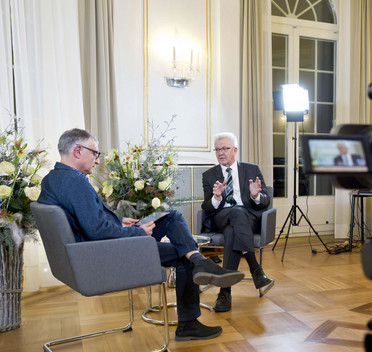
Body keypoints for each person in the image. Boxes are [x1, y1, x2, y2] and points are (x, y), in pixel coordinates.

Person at [38, 129, 246, 341]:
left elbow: (87, 220)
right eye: (95, 154)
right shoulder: (75, 182)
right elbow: (96, 231)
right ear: (78, 150)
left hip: (97, 247)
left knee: (171, 217)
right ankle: (189, 320)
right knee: (182, 255)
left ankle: (198, 260)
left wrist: (120, 221)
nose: (98, 161)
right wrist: (137, 231)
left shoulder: (53, 179)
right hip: (104, 252)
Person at [201, 132, 274, 312]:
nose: (220, 153)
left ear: (235, 150)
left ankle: (224, 292)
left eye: (225, 148)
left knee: (233, 229)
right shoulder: (209, 175)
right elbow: (207, 208)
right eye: (217, 149)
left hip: (247, 219)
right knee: (236, 213)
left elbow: (265, 201)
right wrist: (217, 197)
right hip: (221, 217)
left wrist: (255, 195)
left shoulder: (252, 169)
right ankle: (255, 268)